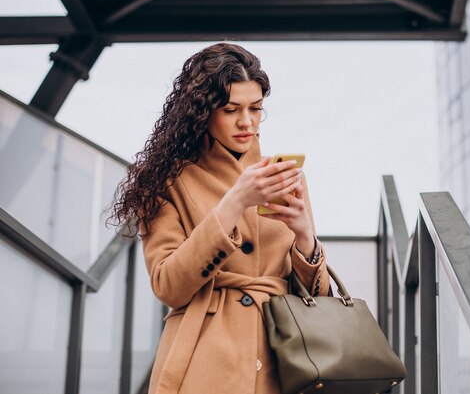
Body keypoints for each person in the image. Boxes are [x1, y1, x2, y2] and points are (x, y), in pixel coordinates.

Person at [108, 42, 330, 394]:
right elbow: (168, 285)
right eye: (230, 109)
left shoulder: (285, 175)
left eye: (256, 108)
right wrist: (233, 204)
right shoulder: (167, 180)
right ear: (202, 112)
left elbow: (318, 299)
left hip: (283, 361)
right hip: (203, 357)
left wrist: (306, 238)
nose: (247, 121)